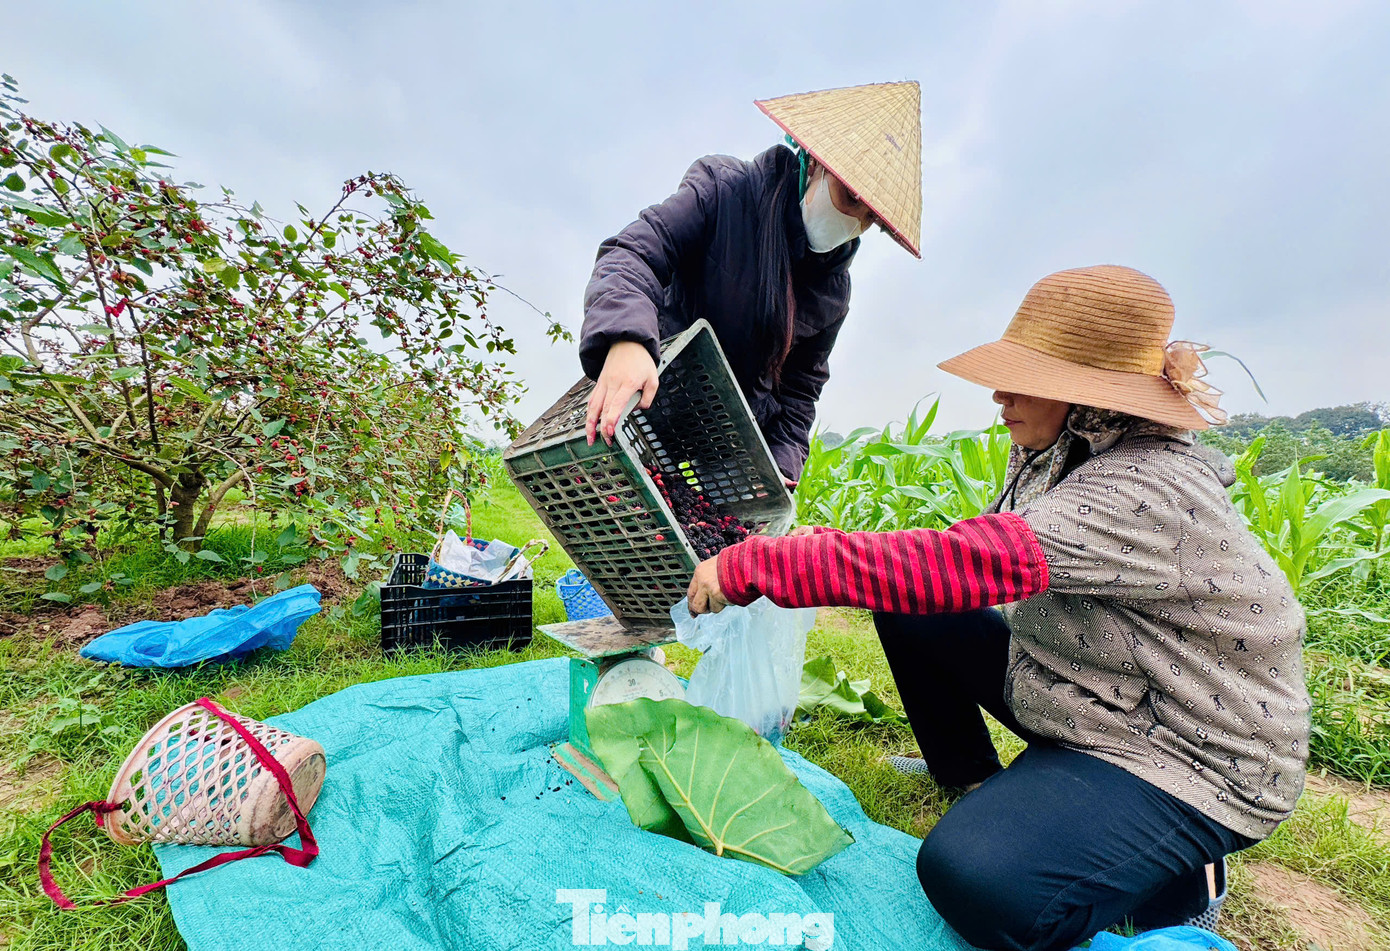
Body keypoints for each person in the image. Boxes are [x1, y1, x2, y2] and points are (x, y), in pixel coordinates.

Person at [685, 266, 1311, 951]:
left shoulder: (1141, 484)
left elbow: (967, 563)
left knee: (971, 874)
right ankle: (972, 774)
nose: (998, 394)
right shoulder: (1063, 445)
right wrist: (828, 546)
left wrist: (762, 566)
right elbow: (963, 552)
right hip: (1096, 688)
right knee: (909, 603)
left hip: (1188, 745)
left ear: (1083, 393)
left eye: (1024, 377)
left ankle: (1184, 878)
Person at [580, 81, 923, 485]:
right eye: (850, 197)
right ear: (814, 163)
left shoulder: (833, 292)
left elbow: (801, 390)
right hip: (652, 402)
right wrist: (628, 339)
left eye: (871, 220)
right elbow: (633, 254)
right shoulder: (724, 190)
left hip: (729, 446)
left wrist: (781, 462)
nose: (854, 224)